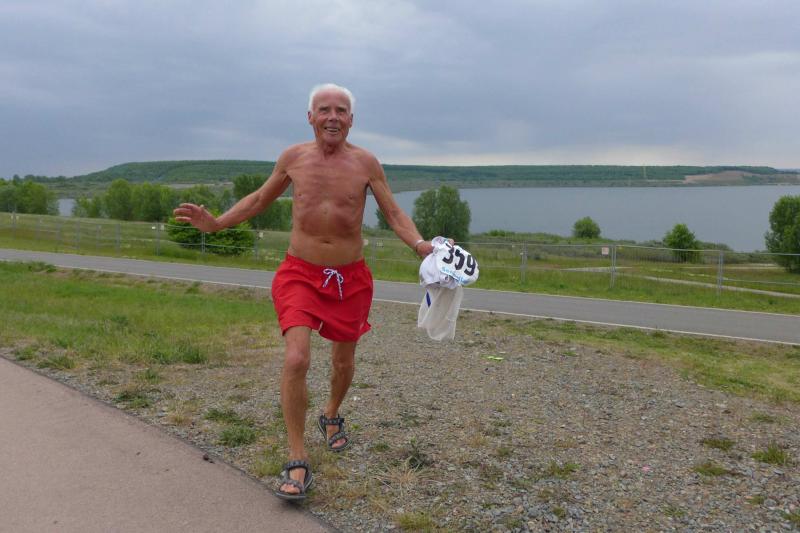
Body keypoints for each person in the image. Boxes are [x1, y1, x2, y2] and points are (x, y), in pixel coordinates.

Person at [173, 83, 436, 501]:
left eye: (341, 110)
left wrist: (421, 246)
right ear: (310, 117)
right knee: (297, 358)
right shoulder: (293, 158)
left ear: (352, 120)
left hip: (350, 279)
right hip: (300, 274)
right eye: (324, 109)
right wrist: (218, 223)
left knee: (343, 363)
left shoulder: (366, 163)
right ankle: (297, 457)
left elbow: (393, 212)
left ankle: (330, 415)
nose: (333, 117)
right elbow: (259, 199)